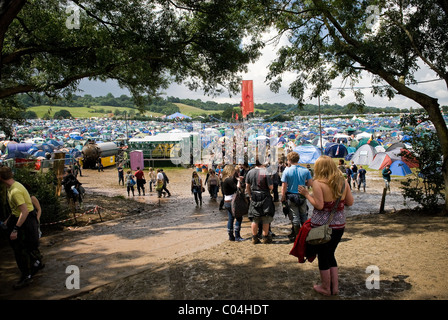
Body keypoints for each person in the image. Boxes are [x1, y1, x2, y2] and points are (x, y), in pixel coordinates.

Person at [298, 155, 354, 296]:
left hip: (321, 226)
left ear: (319, 168)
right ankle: (334, 288)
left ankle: (325, 288)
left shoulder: (317, 183)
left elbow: (319, 205)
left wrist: (306, 194)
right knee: (331, 255)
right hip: (339, 224)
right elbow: (350, 202)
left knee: (323, 256)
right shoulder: (343, 182)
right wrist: (337, 201)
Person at [0, 166, 44, 289]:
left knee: (20, 249)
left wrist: (15, 229)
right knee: (26, 247)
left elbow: (24, 212)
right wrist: (8, 220)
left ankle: (26, 275)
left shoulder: (15, 191)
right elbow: (16, 209)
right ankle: (35, 264)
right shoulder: (13, 186)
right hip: (21, 218)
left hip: (25, 220)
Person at [281, 152, 313, 242]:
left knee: (295, 216)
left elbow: (284, 186)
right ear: (298, 159)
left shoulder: (286, 171)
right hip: (302, 194)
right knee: (304, 215)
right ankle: (305, 235)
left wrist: (283, 196)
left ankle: (297, 236)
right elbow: (310, 183)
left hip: (291, 195)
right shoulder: (305, 170)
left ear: (289, 160)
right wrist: (303, 183)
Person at [245, 160, 275, 244]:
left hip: (254, 196)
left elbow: (247, 186)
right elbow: (271, 187)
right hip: (265, 196)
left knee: (255, 218)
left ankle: (254, 238)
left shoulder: (250, 172)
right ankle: (265, 237)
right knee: (266, 217)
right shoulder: (265, 172)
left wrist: (250, 195)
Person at [222, 165, 244, 241]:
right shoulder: (229, 180)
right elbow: (236, 188)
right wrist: (239, 180)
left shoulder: (224, 179)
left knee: (231, 218)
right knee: (239, 218)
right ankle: (237, 236)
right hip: (232, 201)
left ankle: (231, 236)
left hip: (226, 201)